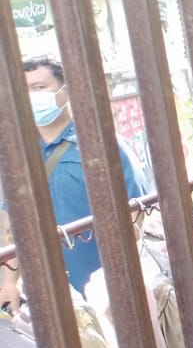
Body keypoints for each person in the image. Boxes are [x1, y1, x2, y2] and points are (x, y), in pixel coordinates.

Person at [22, 57, 150, 294]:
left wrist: (118, 277)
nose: (32, 97)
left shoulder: (102, 145)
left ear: (66, 91)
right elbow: (8, 217)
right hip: (47, 293)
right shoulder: (19, 156)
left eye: (40, 88)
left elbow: (136, 213)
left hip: (105, 289)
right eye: (25, 90)